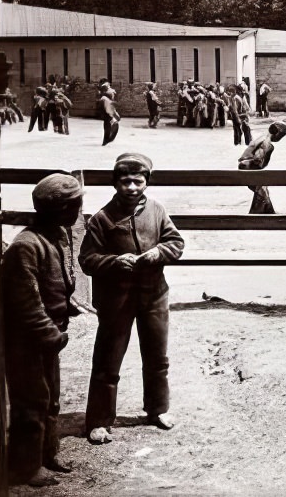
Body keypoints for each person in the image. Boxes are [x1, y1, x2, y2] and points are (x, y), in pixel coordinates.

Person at [80, 154, 184, 445]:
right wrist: (114, 262)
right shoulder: (102, 219)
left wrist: (157, 253)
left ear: (146, 182)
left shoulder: (157, 211)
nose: (132, 187)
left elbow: (176, 243)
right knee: (107, 361)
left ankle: (157, 409)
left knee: (157, 358)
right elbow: (87, 259)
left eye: (138, 181)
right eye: (125, 181)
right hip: (117, 301)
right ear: (115, 183)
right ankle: (99, 421)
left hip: (154, 296)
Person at [1, 173, 84, 485]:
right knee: (31, 403)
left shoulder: (55, 235)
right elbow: (26, 302)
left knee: (50, 400)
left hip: (48, 339)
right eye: (77, 204)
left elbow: (55, 282)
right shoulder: (26, 245)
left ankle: (48, 453)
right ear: (63, 210)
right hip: (28, 341)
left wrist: (67, 305)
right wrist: (52, 335)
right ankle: (25, 468)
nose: (79, 209)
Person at [238, 121, 286, 213]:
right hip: (249, 167)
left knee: (262, 189)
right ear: (277, 134)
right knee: (261, 190)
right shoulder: (267, 143)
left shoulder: (262, 137)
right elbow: (258, 159)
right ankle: (258, 213)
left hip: (244, 165)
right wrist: (260, 166)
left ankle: (267, 211)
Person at [97, 83, 121, 147]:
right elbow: (110, 110)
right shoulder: (106, 100)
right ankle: (107, 140)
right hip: (108, 115)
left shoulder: (103, 98)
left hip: (106, 115)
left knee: (107, 127)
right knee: (109, 127)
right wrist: (115, 115)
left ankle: (106, 140)